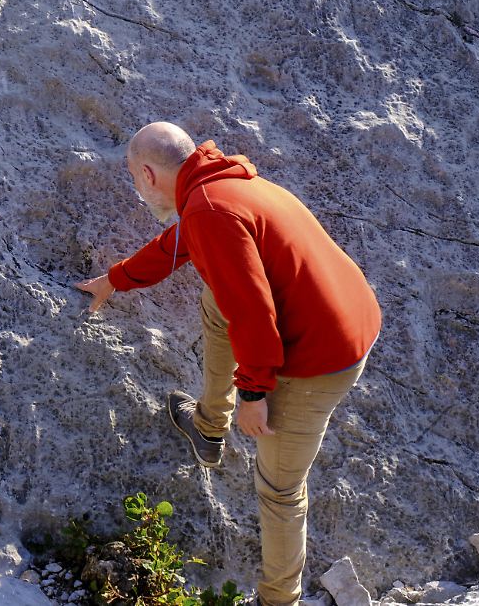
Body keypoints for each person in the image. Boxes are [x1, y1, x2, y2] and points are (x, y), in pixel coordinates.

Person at [75, 122, 381, 606]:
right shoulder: (220, 184)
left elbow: (255, 315)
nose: (137, 190)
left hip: (321, 358)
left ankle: (279, 599)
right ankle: (208, 426)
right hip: (345, 308)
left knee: (280, 488)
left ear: (150, 175)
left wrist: (255, 394)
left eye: (134, 179)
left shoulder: (211, 212)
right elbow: (182, 245)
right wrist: (116, 279)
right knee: (216, 297)